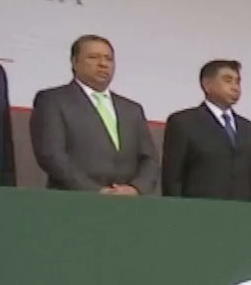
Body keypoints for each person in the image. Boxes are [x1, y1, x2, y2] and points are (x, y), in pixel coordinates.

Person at [31, 35, 160, 196]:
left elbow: (149, 159)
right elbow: (51, 155)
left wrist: (136, 188)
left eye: (109, 59)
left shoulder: (131, 109)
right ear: (74, 62)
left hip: (127, 204)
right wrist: (95, 191)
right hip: (74, 201)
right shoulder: (53, 100)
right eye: (93, 57)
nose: (103, 64)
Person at [163, 58, 251, 201]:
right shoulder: (183, 122)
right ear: (206, 85)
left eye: (238, 81)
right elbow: (172, 178)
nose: (235, 87)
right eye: (227, 80)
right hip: (198, 213)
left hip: (242, 213)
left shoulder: (250, 129)